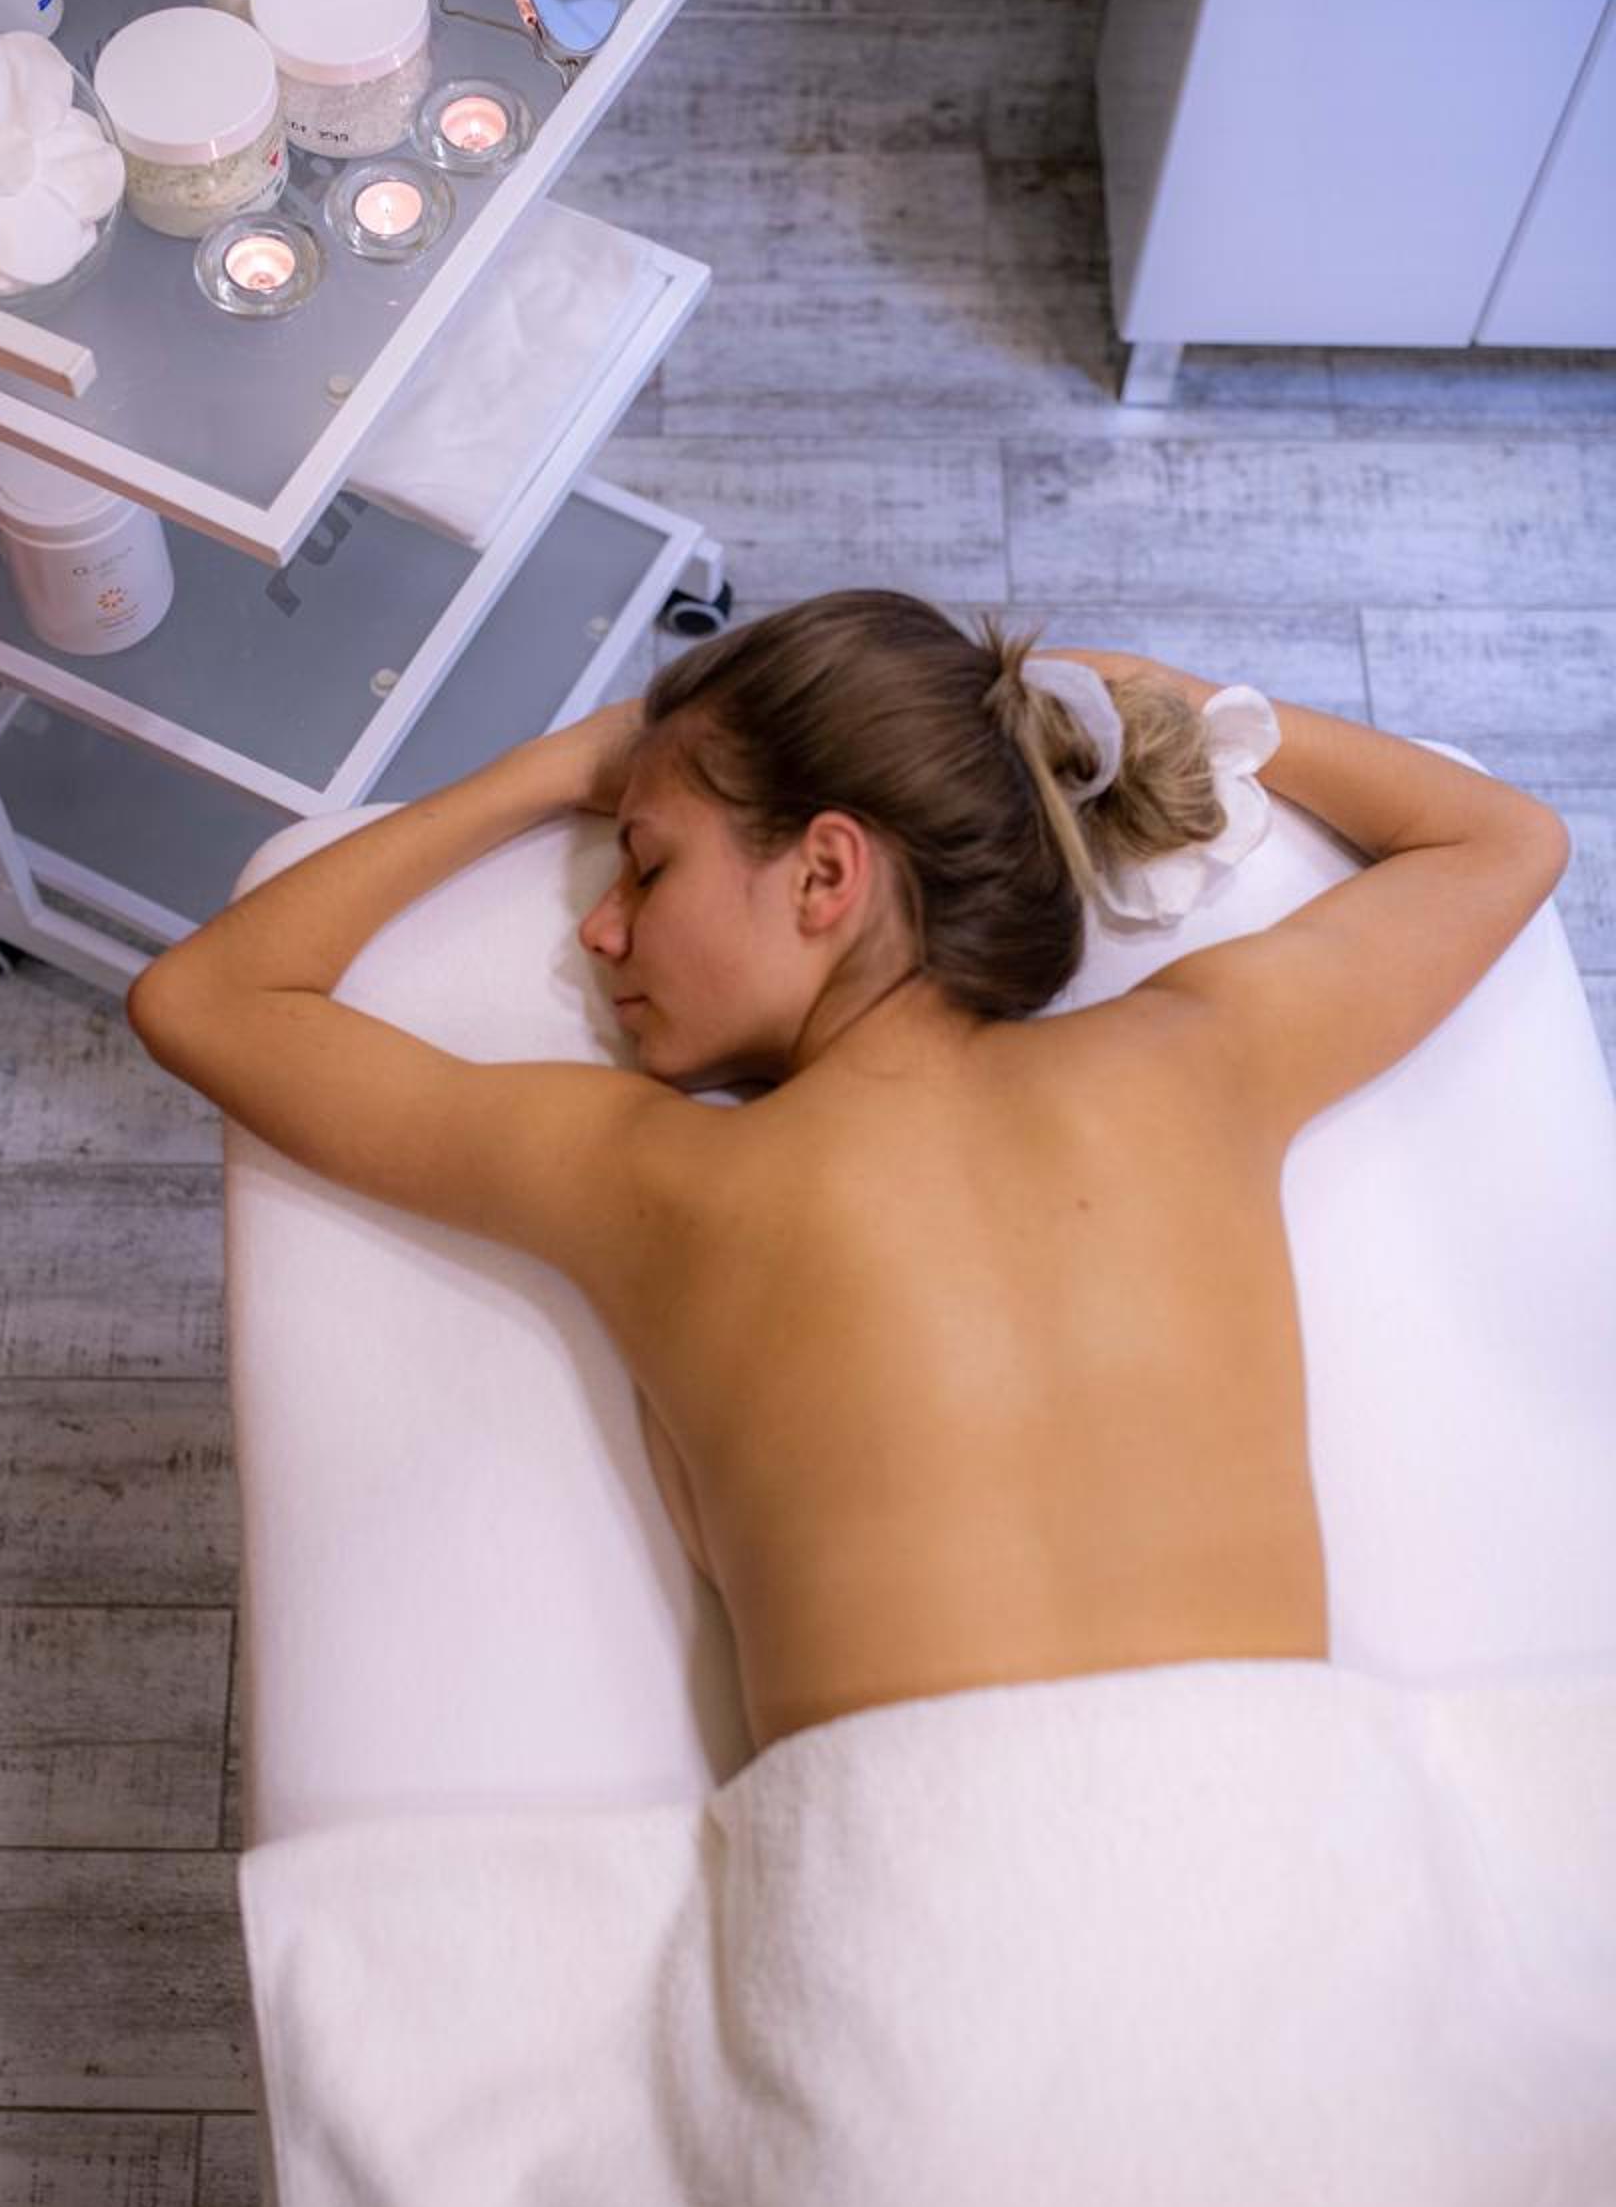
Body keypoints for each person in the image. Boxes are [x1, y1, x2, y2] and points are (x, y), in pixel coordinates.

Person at [576, 591, 1570, 1750]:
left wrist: (565, 770)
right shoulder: (1193, 1056)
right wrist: (1139, 690)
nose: (597, 928)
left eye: (646, 866)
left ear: (822, 874)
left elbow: (331, 1013)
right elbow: (1501, 839)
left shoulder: (651, 1170)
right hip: (1291, 1830)